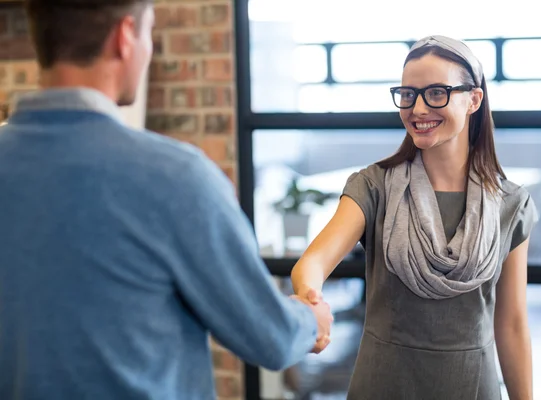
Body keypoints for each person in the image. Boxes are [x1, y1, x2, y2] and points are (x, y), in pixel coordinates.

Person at [0, 1, 332, 399]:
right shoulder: (173, 177)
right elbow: (271, 336)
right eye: (149, 33)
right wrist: (312, 320)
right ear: (125, 37)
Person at [291, 35, 538, 400]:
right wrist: (310, 302)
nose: (418, 109)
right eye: (408, 95)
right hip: (382, 386)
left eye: (436, 92)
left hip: (472, 387)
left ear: (474, 99)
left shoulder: (511, 203)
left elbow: (512, 324)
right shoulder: (373, 187)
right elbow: (314, 260)